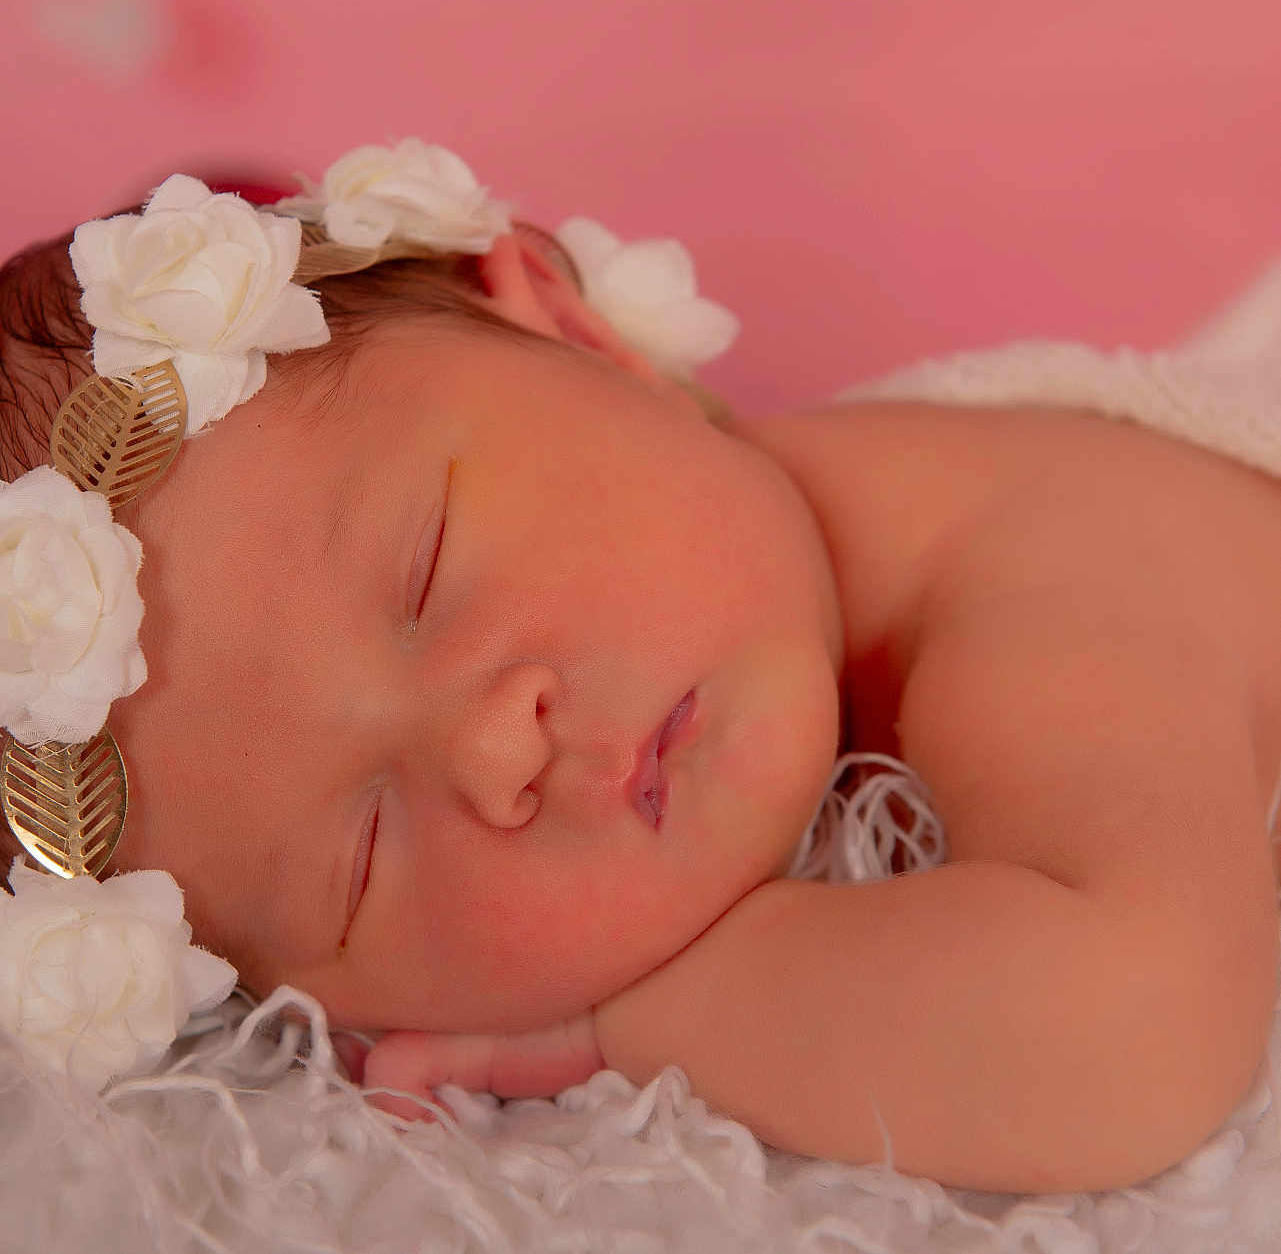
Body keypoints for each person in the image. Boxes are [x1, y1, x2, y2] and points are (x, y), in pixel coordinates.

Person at [1, 139, 1277, 1196]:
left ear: (572, 327)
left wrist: (637, 1027)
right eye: (361, 861)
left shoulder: (1047, 558)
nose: (499, 751)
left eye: (430, 571)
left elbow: (1133, 1030)